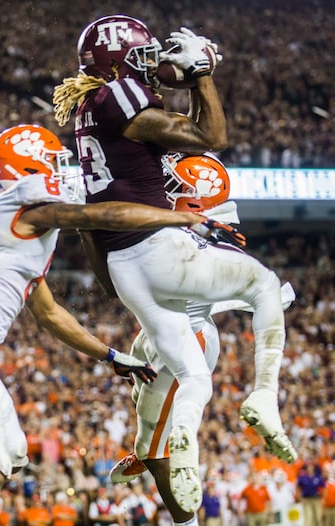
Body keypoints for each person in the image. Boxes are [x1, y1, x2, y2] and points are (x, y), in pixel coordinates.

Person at [0, 123, 233, 526]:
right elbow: (101, 214)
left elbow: (50, 314)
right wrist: (175, 217)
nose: (60, 172)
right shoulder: (29, 209)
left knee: (13, 455)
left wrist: (110, 355)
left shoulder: (19, 231)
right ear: (27, 171)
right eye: (52, 164)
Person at [53, 13, 296, 516]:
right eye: (140, 57)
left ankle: (178, 448)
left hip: (129, 269)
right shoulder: (126, 109)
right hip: (158, 254)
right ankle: (260, 397)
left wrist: (187, 74)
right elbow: (210, 136)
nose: (150, 67)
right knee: (263, 288)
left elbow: (184, 140)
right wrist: (201, 74)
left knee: (185, 386)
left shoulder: (95, 109)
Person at [108, 154, 295, 526]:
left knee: (158, 450)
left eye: (172, 187)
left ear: (196, 201)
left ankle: (159, 468)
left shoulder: (186, 239)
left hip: (183, 338)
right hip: (160, 329)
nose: (162, 191)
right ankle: (148, 447)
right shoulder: (197, 230)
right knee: (135, 385)